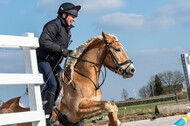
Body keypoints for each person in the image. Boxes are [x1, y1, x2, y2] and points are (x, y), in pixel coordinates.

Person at [36, 2, 81, 125]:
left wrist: (68, 53)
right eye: (73, 16)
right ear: (64, 14)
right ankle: (46, 119)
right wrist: (61, 50)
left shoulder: (67, 30)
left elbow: (59, 47)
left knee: (65, 83)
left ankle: (64, 117)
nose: (74, 20)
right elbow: (43, 42)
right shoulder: (53, 25)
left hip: (53, 63)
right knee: (52, 85)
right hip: (43, 60)